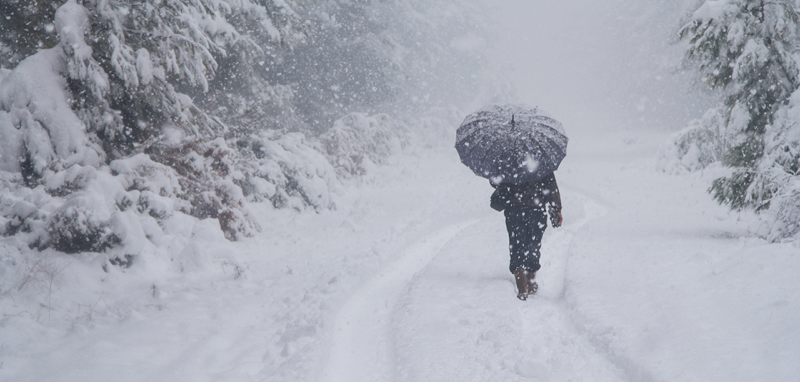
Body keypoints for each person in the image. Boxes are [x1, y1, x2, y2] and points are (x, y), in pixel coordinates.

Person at [490, 172, 562, 300]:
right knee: (533, 244)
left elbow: (495, 181)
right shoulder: (540, 159)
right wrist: (555, 209)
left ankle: (522, 282)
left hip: (515, 208)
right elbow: (551, 187)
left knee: (517, 243)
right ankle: (529, 279)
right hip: (535, 208)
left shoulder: (507, 159)